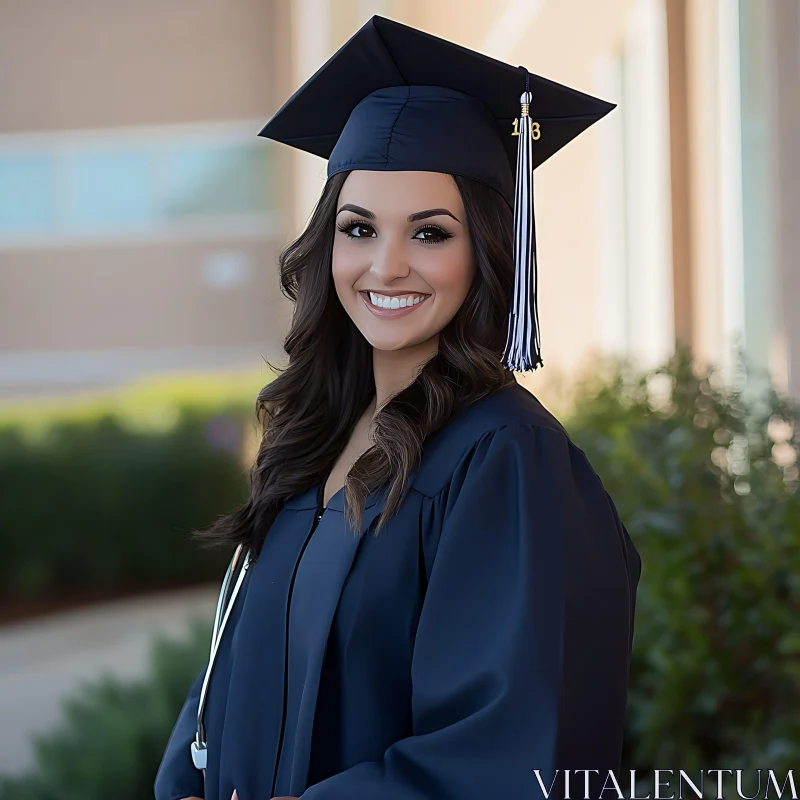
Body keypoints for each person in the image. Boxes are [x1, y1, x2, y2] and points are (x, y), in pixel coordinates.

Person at [154, 15, 642, 800]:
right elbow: (225, 683)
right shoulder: (314, 440)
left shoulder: (505, 457)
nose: (387, 265)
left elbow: (510, 747)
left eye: (430, 233)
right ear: (327, 247)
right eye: (358, 228)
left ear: (485, 248)